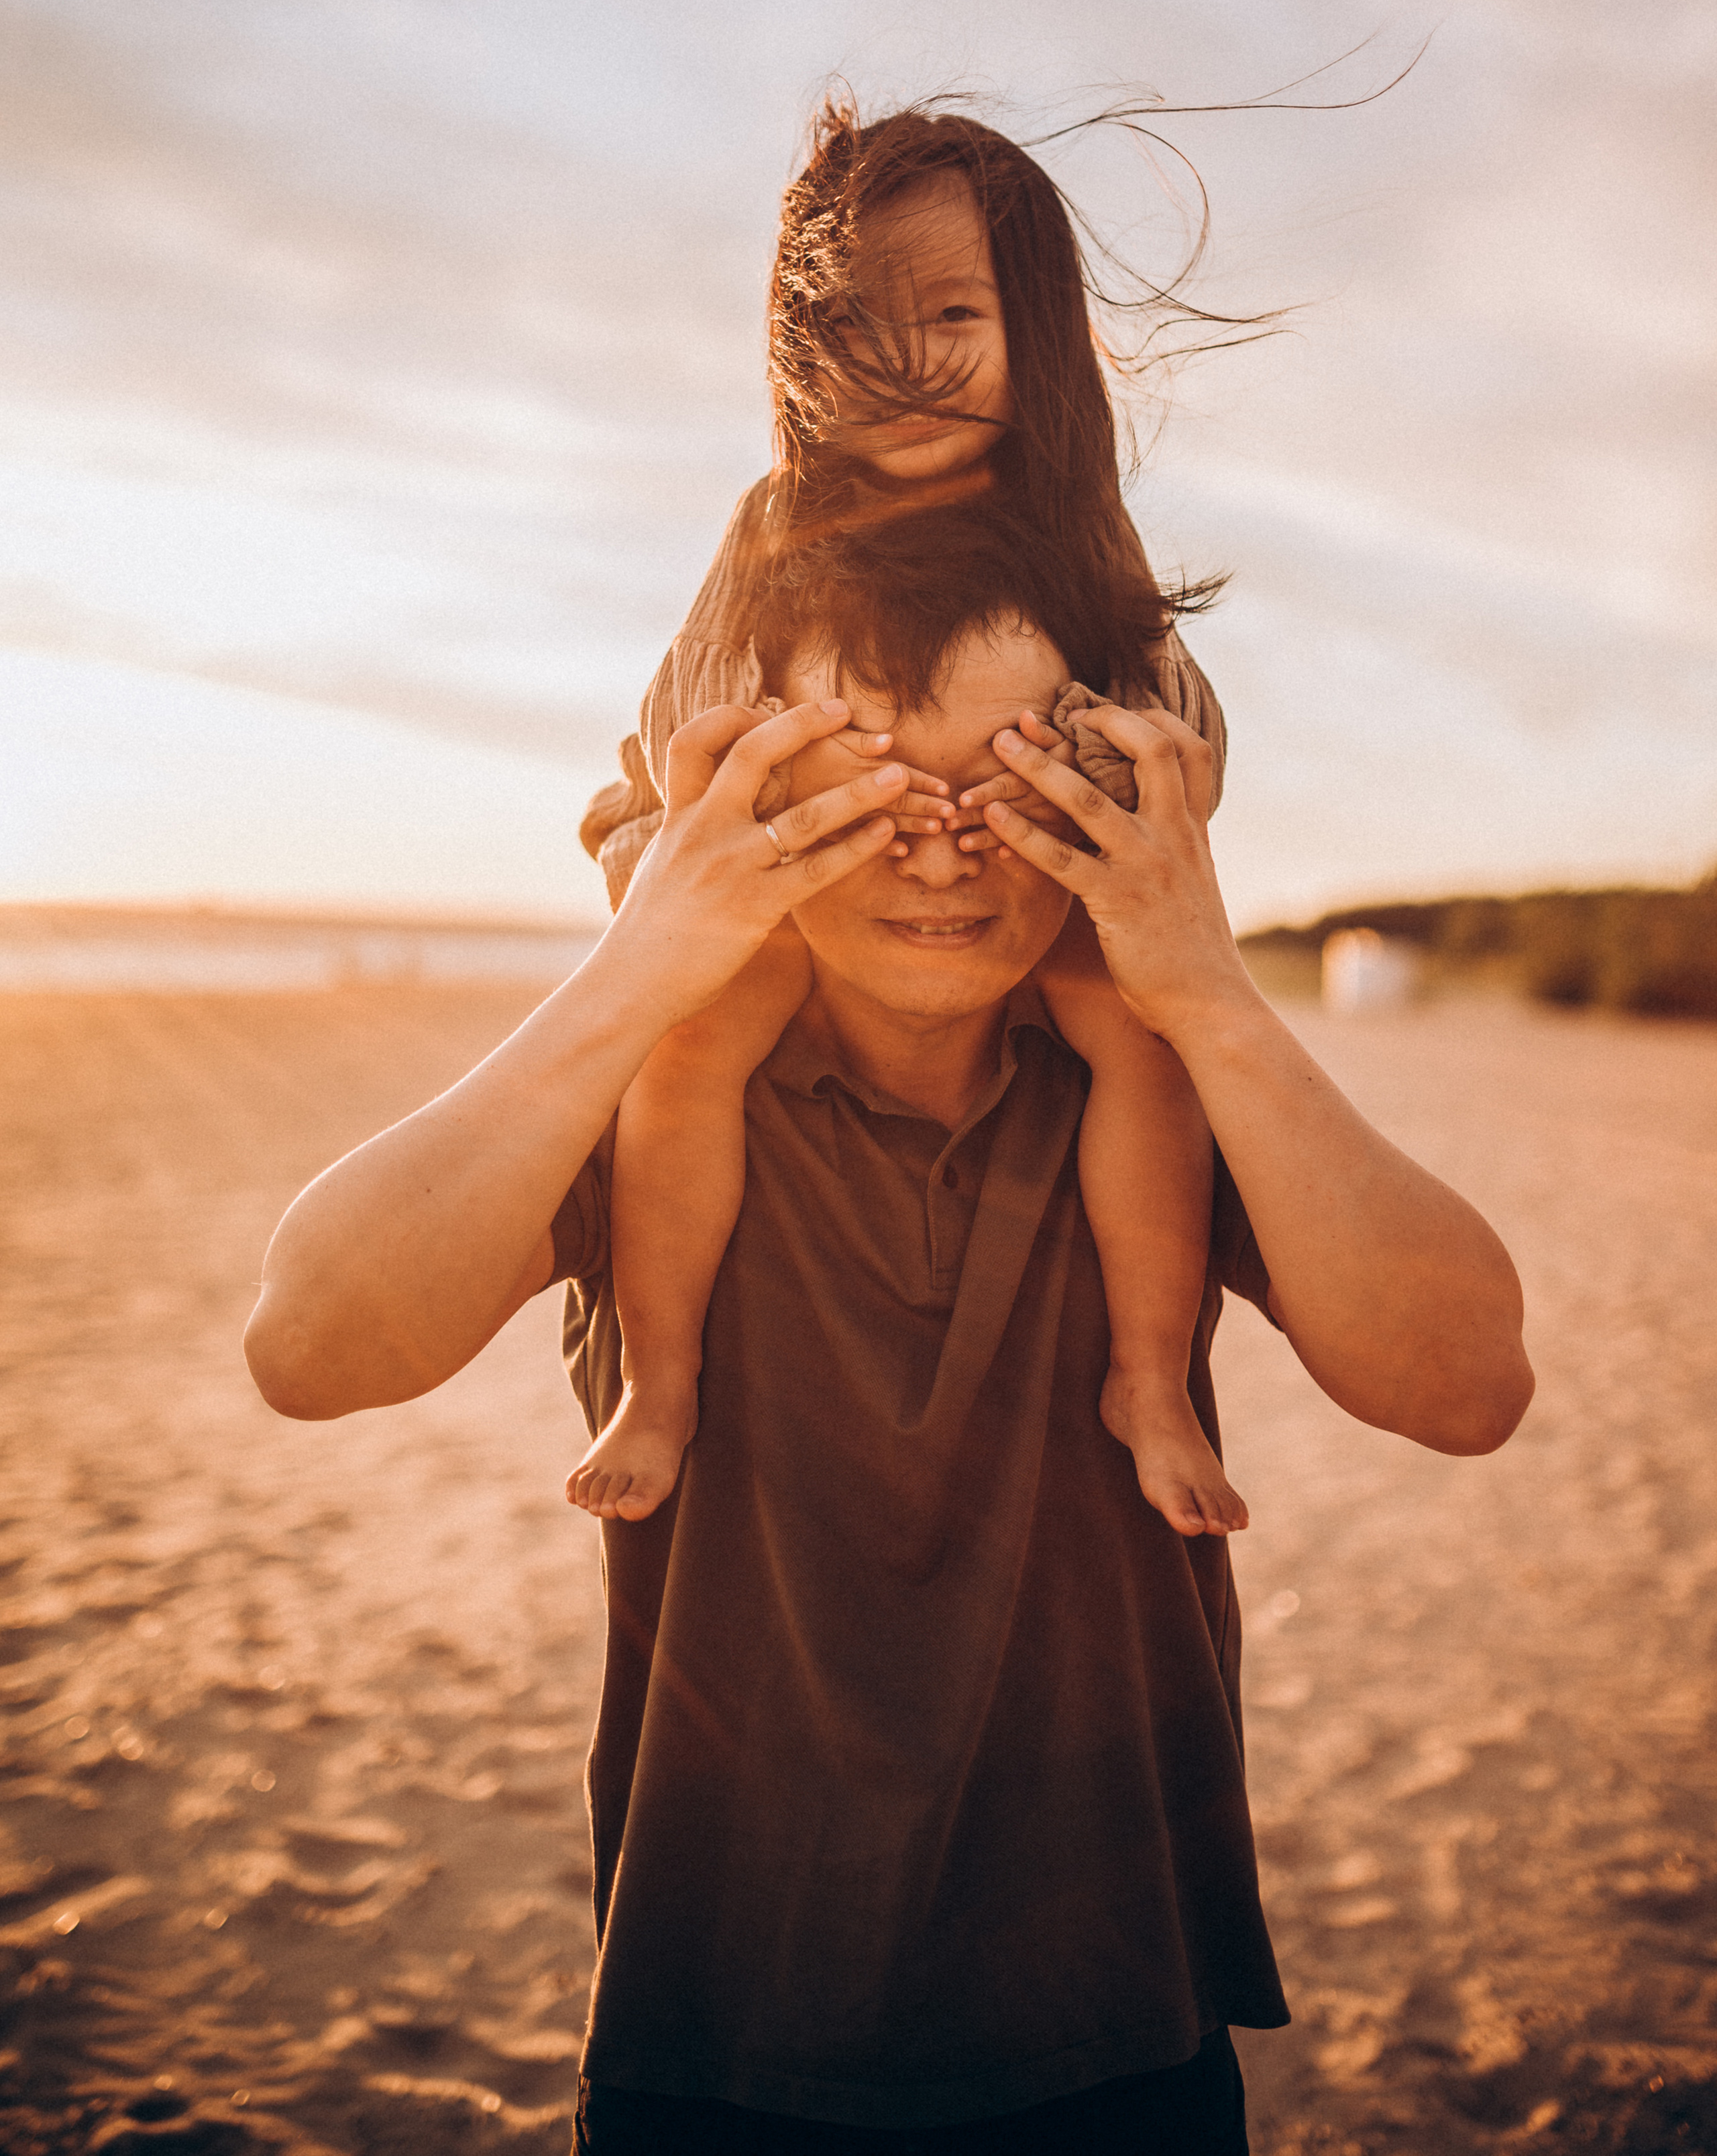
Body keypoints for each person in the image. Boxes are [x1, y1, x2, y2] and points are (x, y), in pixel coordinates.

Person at [245, 508, 1532, 2154]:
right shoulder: (662, 1095)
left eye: (1000, 794)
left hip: (1120, 2018)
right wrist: (642, 964)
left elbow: (1469, 1382)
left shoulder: (1147, 1081)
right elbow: (307, 1349)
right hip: (714, 2031)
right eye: (872, 795)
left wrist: (1204, 988)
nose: (937, 858)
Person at [571, 101, 1246, 1540]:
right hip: (808, 880)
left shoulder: (1073, 524)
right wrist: (727, 868)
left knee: (1136, 1035)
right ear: (791, 358)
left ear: (1039, 331)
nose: (901, 359)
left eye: (951, 310)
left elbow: (1168, 717)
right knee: (693, 1035)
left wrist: (1057, 793)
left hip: (1015, 882)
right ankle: (664, 1379)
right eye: (848, 328)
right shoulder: (773, 527)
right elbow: (682, 733)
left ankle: (1148, 1379)